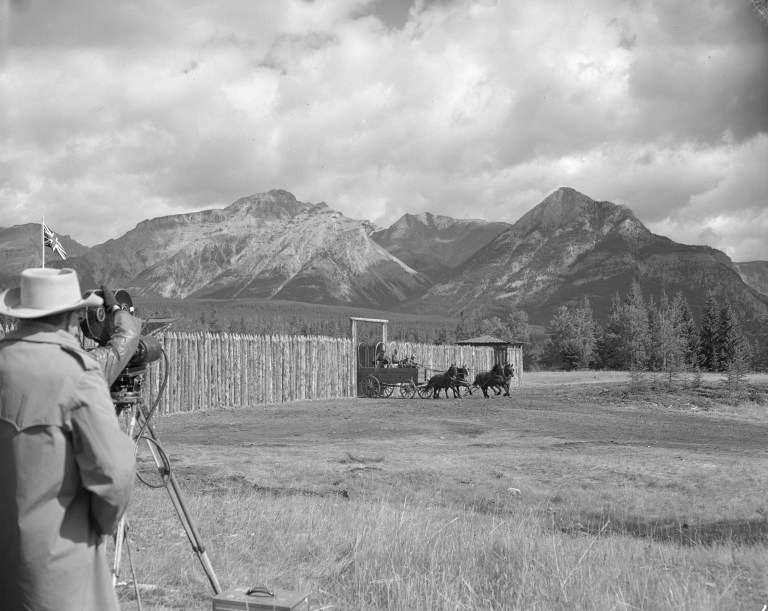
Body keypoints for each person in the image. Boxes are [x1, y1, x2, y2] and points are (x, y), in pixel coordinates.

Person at [0, 268, 138, 611]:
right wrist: (96, 526)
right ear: (72, 318)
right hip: (58, 575)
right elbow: (115, 476)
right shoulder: (77, 373)